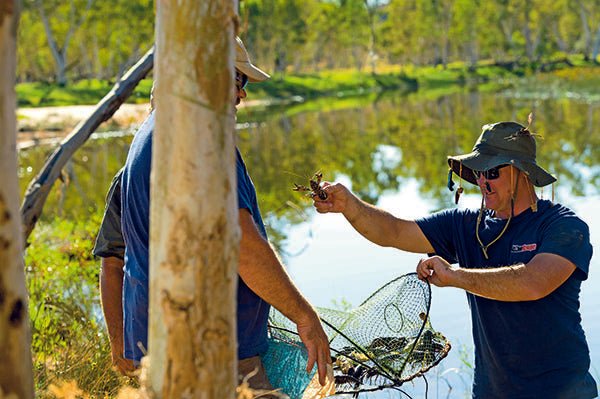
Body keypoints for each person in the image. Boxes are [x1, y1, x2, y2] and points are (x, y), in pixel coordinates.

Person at [93, 36, 331, 396]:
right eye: (238, 81)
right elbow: (240, 244)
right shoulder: (200, 138)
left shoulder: (154, 138)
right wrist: (304, 317)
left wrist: (123, 345)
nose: (241, 96)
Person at [312, 120, 597, 398]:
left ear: (522, 172)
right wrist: (349, 206)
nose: (483, 181)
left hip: (563, 391)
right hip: (491, 392)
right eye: (478, 173)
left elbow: (534, 283)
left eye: (492, 172)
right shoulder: (465, 225)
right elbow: (394, 231)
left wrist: (455, 276)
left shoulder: (564, 226)